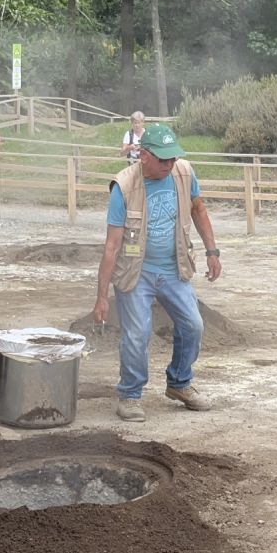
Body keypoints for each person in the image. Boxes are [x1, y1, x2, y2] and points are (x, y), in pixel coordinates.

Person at [93, 123, 222, 422]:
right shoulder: (124, 186)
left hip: (174, 268)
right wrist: (101, 297)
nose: (169, 165)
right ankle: (130, 394)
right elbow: (111, 246)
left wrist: (212, 251)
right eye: (163, 159)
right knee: (137, 335)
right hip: (136, 274)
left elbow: (199, 210)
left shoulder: (184, 173)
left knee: (193, 326)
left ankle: (179, 383)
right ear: (143, 155)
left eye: (172, 158)